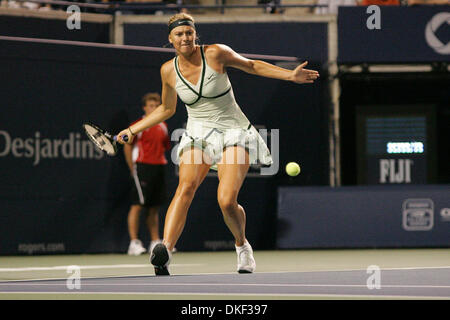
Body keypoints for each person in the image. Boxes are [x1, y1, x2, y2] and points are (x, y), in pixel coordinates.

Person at [116, 13, 319, 275]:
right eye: (179, 34)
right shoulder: (168, 70)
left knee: (226, 201)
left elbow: (252, 65)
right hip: (197, 133)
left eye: (189, 32)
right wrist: (132, 130)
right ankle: (165, 251)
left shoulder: (215, 53)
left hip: (233, 131)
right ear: (170, 39)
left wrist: (289, 76)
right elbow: (166, 109)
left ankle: (242, 245)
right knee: (185, 186)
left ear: (195, 34)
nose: (185, 37)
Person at [125, 93, 172, 256]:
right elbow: (127, 145)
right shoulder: (137, 125)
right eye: (150, 106)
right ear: (144, 108)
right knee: (137, 205)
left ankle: (154, 242)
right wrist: (132, 167)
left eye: (156, 105)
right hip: (142, 167)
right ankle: (134, 243)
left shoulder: (163, 126)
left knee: (154, 207)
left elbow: (164, 147)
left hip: (159, 167)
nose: (153, 108)